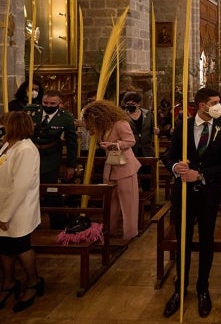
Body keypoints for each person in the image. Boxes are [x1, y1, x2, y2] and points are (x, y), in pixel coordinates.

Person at [161, 88, 221, 318]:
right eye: (214, 102)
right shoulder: (183, 125)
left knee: (206, 241)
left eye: (219, 102)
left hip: (209, 194)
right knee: (183, 240)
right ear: (202, 105)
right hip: (184, 194)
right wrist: (175, 167)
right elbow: (168, 155)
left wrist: (200, 174)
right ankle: (180, 288)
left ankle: (203, 288)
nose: (218, 106)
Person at [0, 111, 45, 313]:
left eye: (5, 124)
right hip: (3, 204)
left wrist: (5, 215)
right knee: (4, 245)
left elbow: (21, 186)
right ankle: (9, 282)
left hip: (18, 208)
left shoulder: (26, 149)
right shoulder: (7, 145)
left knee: (20, 244)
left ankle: (33, 282)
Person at [82, 100, 141, 240]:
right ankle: (111, 229)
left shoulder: (121, 123)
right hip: (111, 166)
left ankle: (130, 233)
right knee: (110, 202)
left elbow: (131, 141)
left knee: (128, 202)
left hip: (125, 167)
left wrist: (114, 145)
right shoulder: (103, 126)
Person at [25, 89, 78, 229]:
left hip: (51, 156)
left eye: (52, 103)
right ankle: (32, 224)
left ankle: (58, 224)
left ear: (60, 103)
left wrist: (71, 165)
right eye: (45, 103)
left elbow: (72, 143)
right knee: (29, 189)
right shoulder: (30, 112)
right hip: (29, 155)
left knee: (50, 189)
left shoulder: (65, 118)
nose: (48, 106)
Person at [121, 92, 157, 158]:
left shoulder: (148, 114)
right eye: (127, 104)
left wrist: (157, 131)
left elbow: (153, 128)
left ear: (138, 104)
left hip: (147, 150)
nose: (130, 106)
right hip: (130, 150)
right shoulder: (122, 116)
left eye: (132, 104)